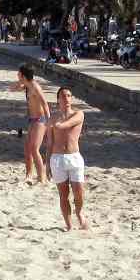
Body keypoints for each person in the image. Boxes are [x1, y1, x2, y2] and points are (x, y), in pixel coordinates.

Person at [46, 87, 88, 231]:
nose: (67, 99)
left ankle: (79, 212)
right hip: (57, 158)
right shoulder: (52, 118)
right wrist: (47, 165)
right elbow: (50, 142)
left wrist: (58, 125)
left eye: (69, 96)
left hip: (74, 157)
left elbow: (67, 124)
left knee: (78, 192)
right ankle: (69, 225)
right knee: (63, 194)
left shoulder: (78, 114)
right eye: (63, 96)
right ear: (58, 99)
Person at [10, 64, 51, 184]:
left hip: (41, 119)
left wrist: (49, 123)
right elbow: (11, 88)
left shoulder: (35, 87)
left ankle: (42, 177)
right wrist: (20, 82)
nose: (17, 75)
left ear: (23, 75)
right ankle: (29, 174)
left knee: (34, 149)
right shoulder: (27, 85)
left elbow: (45, 104)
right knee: (27, 149)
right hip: (32, 120)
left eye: (19, 73)